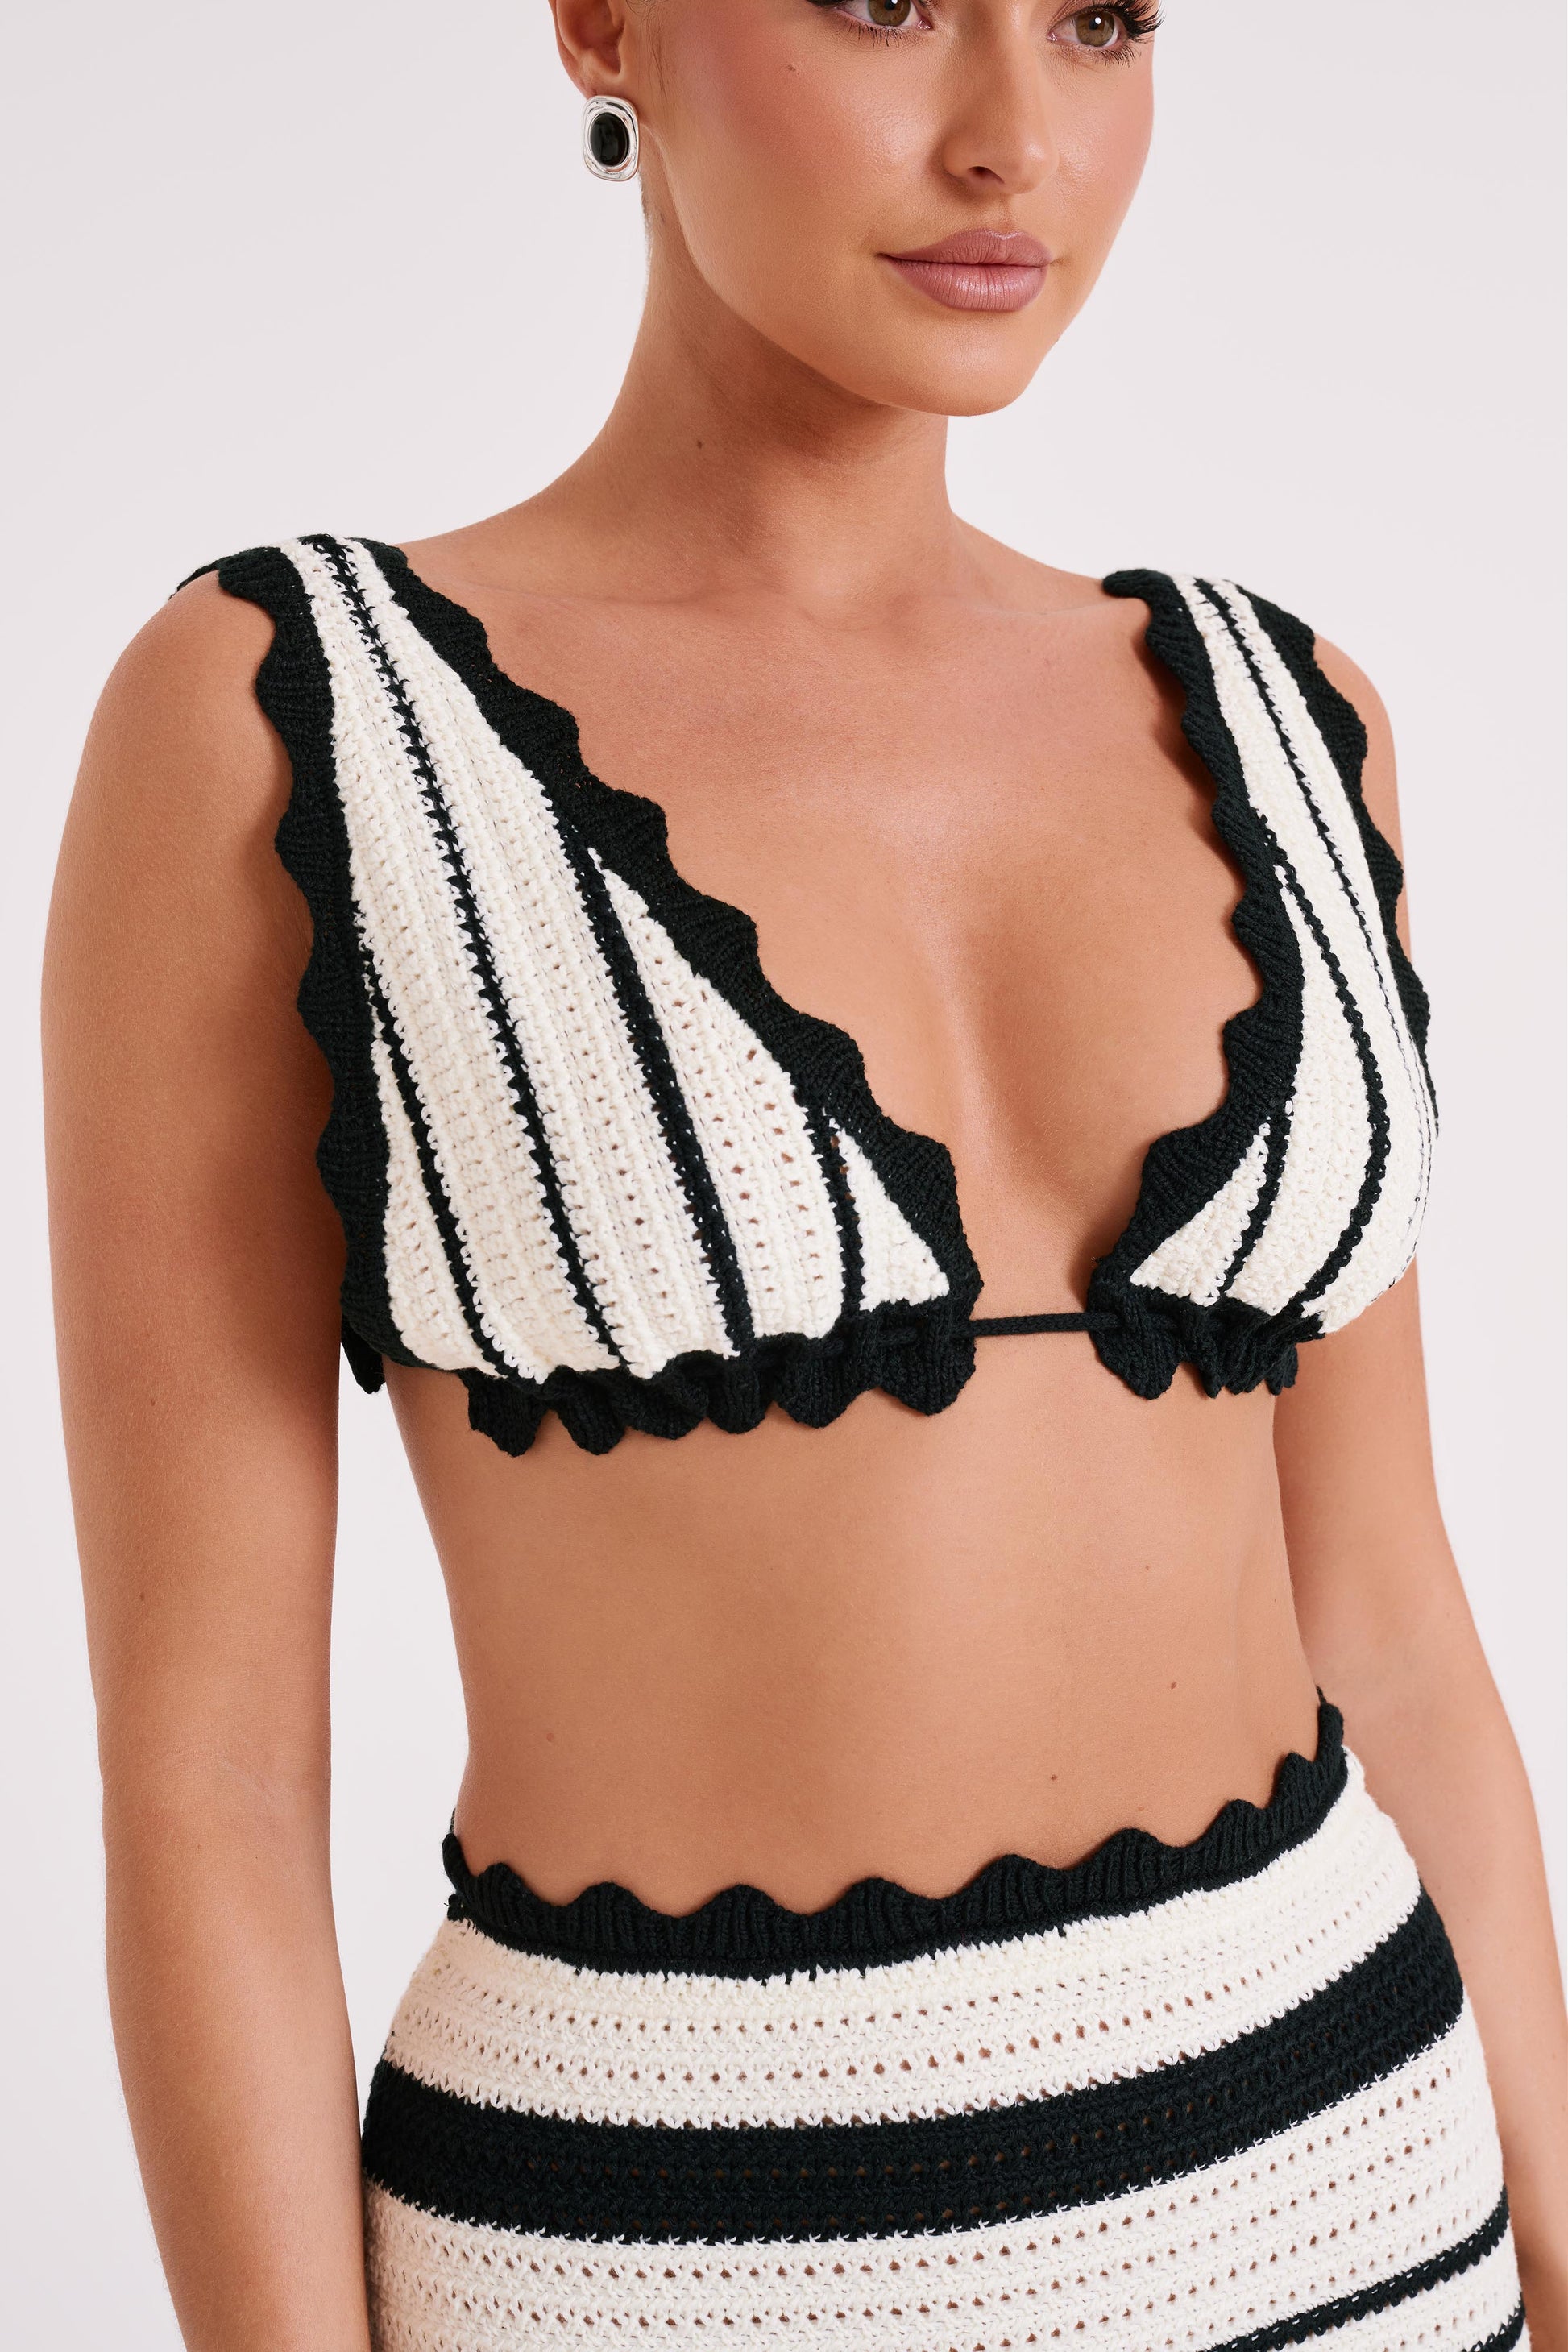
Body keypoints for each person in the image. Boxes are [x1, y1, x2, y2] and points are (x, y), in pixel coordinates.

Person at [43, 3, 1567, 2346]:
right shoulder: (290, 718)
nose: (1012, 137)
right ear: (603, 23)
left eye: (1100, 23)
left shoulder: (1292, 716)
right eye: (883, 1)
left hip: (1358, 2194)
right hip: (673, 2255)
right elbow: (214, 1773)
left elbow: (1387, 1617)